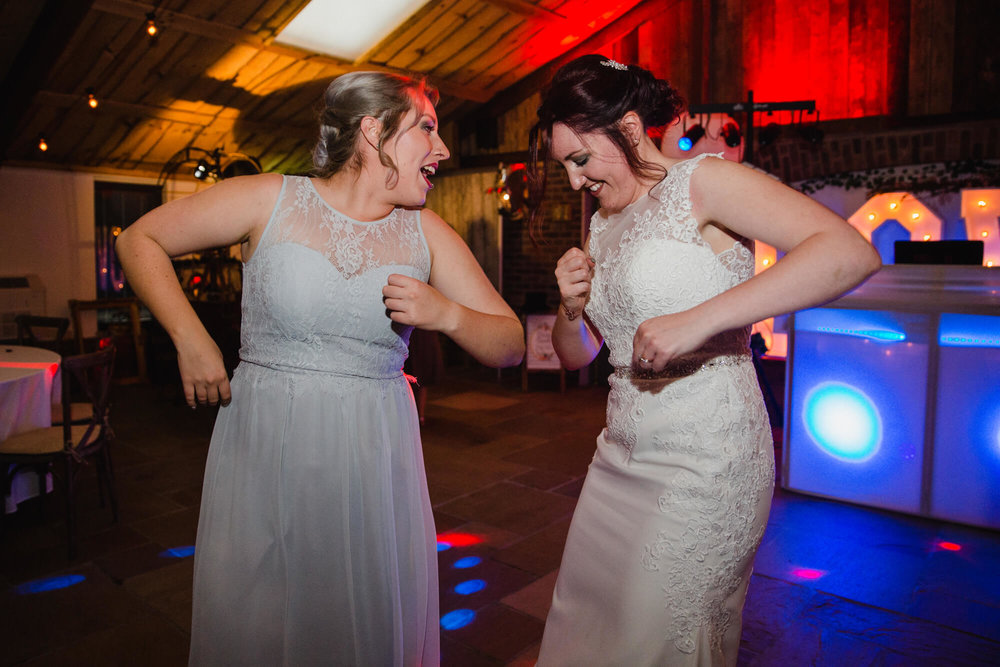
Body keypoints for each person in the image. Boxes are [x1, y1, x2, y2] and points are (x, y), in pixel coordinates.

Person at [116, 71, 524, 665]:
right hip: (266, 446)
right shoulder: (268, 198)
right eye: (427, 129)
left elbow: (510, 341)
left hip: (373, 455)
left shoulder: (426, 231)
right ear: (372, 130)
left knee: (360, 619)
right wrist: (191, 337)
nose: (442, 149)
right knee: (262, 614)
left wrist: (449, 315)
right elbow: (139, 241)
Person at [527, 54, 881, 666]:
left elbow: (849, 253)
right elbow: (579, 356)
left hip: (706, 457)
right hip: (619, 457)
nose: (574, 182)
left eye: (580, 160)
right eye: (565, 167)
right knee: (587, 628)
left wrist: (702, 319)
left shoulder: (704, 182)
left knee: (657, 638)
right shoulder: (604, 226)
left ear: (630, 130)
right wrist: (568, 306)